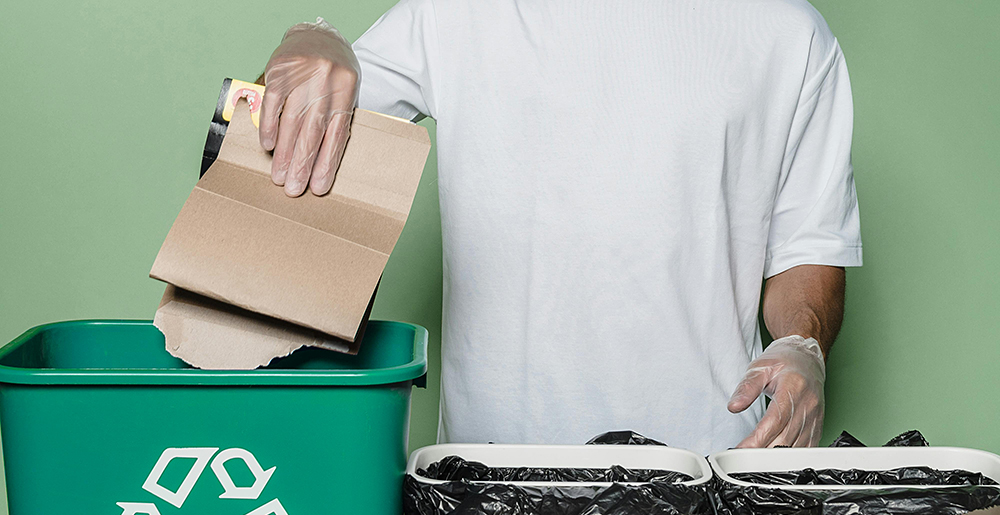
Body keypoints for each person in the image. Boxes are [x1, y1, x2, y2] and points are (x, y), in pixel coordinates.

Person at [256, 0, 861, 453]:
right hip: (493, 481)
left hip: (705, 478)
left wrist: (801, 346)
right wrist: (311, 45)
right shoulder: (460, 11)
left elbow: (808, 248)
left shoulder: (790, 32)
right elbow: (289, 138)